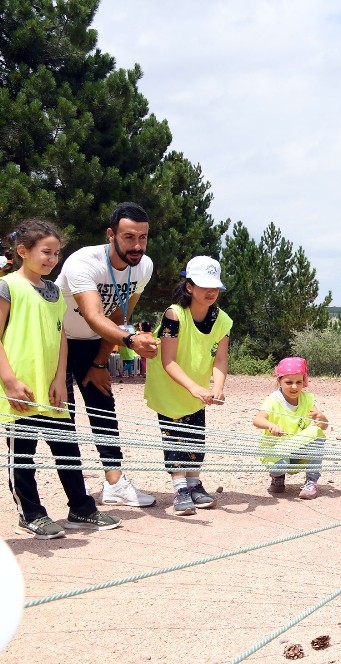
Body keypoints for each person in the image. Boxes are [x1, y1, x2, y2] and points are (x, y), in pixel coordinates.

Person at [1, 221, 121, 538]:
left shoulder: (54, 292)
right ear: (23, 251)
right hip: (20, 388)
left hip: (52, 387)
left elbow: (62, 337)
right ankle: (31, 513)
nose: (52, 259)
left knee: (67, 448)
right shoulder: (7, 286)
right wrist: (10, 381)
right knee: (22, 453)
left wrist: (59, 379)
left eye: (56, 253)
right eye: (45, 252)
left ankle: (80, 508)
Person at [56, 202, 159, 507]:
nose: (137, 245)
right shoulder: (83, 262)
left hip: (94, 343)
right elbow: (92, 314)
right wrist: (130, 340)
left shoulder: (144, 266)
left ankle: (114, 485)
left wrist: (101, 361)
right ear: (111, 234)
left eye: (143, 237)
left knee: (104, 410)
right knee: (63, 417)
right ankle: (77, 500)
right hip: (58, 340)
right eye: (129, 237)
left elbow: (119, 313)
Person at [144, 256, 231, 516]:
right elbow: (168, 360)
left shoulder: (223, 320)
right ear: (190, 286)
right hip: (171, 389)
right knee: (174, 439)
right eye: (204, 286)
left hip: (198, 391)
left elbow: (221, 358)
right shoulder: (174, 315)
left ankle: (194, 484)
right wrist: (193, 387)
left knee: (196, 437)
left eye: (215, 286)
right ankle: (180, 488)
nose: (211, 291)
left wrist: (218, 386)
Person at [254, 357, 329, 500]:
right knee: (280, 466)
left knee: (316, 433)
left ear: (304, 382)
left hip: (297, 450)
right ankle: (278, 477)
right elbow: (257, 420)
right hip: (276, 449)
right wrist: (271, 425)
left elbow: (322, 427)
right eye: (289, 382)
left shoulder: (307, 399)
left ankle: (311, 481)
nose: (294, 387)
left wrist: (323, 418)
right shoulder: (273, 399)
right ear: (279, 382)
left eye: (298, 382)